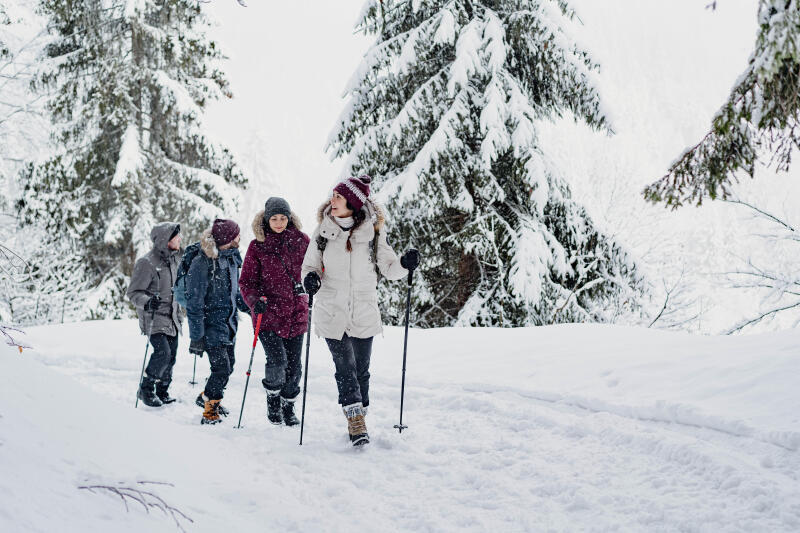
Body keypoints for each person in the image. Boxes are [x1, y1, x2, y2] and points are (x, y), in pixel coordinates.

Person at [301, 176, 419, 446]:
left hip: (364, 311)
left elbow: (390, 268)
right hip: (332, 311)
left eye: (338, 198)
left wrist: (404, 263)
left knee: (361, 371)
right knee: (345, 367)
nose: (332, 201)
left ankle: (359, 412)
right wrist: (310, 279)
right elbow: (309, 267)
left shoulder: (373, 234)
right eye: (332, 196)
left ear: (353, 203)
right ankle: (355, 419)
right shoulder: (323, 232)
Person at [239, 197, 310, 426]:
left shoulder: (302, 241)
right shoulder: (257, 246)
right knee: (277, 361)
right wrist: (253, 300)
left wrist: (312, 283)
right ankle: (272, 398)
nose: (279, 222)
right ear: (266, 219)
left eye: (283, 218)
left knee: (295, 367)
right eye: (274, 218)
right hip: (268, 315)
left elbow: (315, 268)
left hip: (296, 314)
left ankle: (288, 405)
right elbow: (246, 281)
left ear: (289, 218)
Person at [186, 219, 250, 425]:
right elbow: (194, 302)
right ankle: (210, 411)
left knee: (229, 366)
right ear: (229, 239)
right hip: (211, 325)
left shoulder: (231, 259)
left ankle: (207, 396)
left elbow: (234, 293)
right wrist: (196, 336)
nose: (240, 237)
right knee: (221, 368)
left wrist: (251, 308)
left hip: (229, 325)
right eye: (237, 234)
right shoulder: (202, 262)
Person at [127, 222, 184, 407]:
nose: (179, 239)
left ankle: (162, 390)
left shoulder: (176, 260)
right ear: (165, 240)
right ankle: (145, 389)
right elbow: (134, 292)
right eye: (176, 236)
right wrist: (147, 302)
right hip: (154, 317)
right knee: (163, 353)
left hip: (172, 316)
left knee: (172, 355)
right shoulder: (147, 263)